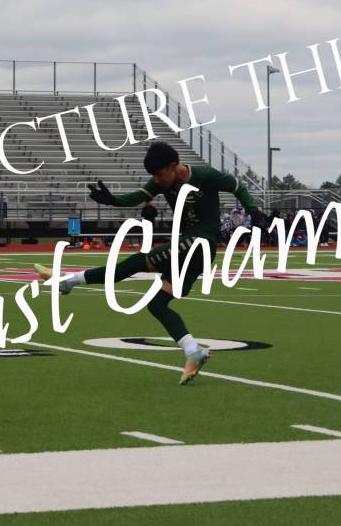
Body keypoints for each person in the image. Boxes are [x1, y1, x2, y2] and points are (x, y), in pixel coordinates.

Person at [36, 141, 265, 384]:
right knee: (157, 305)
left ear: (173, 166)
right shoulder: (162, 181)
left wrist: (253, 209)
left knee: (137, 262)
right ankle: (193, 351)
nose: (156, 180)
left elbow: (237, 186)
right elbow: (138, 196)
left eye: (159, 174)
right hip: (189, 250)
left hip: (199, 243)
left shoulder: (205, 175)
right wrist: (112, 200)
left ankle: (68, 281)